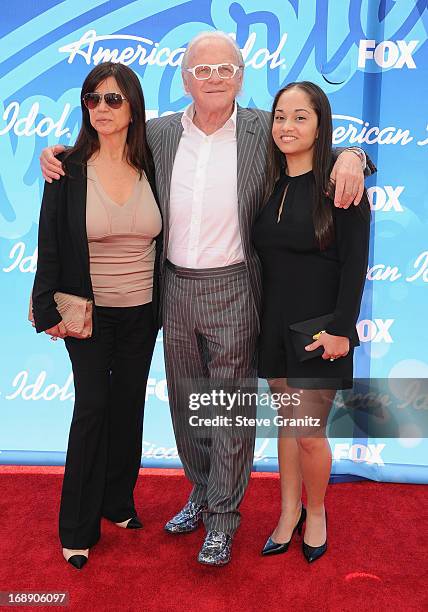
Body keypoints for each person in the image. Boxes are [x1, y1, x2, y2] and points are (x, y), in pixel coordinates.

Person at [40, 31, 374, 566]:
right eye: (202, 70)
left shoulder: (267, 127)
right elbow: (101, 144)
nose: (213, 77)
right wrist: (54, 155)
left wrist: (356, 156)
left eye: (224, 68)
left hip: (236, 285)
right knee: (188, 404)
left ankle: (223, 516)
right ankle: (200, 491)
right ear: (185, 79)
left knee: (231, 409)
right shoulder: (159, 133)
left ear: (241, 75)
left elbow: (319, 143)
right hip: (171, 286)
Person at [32, 62, 162, 569]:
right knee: (92, 409)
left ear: (132, 105)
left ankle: (117, 501)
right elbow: (49, 243)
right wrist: (46, 310)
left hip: (143, 310)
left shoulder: (153, 161)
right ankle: (77, 527)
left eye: (112, 99)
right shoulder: (66, 167)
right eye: (92, 99)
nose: (101, 108)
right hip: (87, 313)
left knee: (129, 405)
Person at [252, 81, 370, 563]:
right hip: (274, 323)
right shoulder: (267, 183)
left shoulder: (342, 185)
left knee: (307, 431)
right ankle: (287, 513)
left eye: (301, 116)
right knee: (287, 423)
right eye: (281, 115)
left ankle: (316, 511)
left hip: (320, 327)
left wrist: (342, 328)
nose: (287, 126)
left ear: (321, 125)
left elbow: (355, 263)